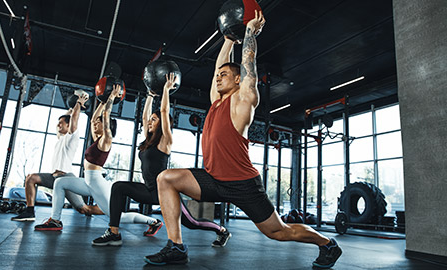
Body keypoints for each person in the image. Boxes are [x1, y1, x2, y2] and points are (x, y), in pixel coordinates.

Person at [144, 11, 342, 269]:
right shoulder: (216, 102)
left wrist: (249, 33)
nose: (218, 78)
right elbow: (219, 66)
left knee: (279, 231)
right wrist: (228, 38)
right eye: (217, 76)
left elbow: (249, 63)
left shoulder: (243, 101)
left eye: (224, 75)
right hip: (213, 178)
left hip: (243, 184)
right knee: (165, 179)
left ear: (238, 80)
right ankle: (176, 246)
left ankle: (327, 243)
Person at [92, 73, 231, 247]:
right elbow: (144, 117)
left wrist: (165, 90)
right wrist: (150, 96)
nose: (150, 122)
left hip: (167, 193)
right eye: (151, 120)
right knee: (119, 187)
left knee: (192, 223)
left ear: (162, 124)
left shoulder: (165, 141)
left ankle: (222, 231)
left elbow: (164, 112)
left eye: (154, 120)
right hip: (150, 191)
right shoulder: (147, 142)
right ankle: (113, 232)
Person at [34, 85, 156, 231]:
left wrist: (111, 97)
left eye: (100, 123)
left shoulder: (106, 140)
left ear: (106, 127)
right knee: (60, 183)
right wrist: (102, 102)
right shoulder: (97, 139)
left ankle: (153, 221)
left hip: (97, 184)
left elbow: (104, 117)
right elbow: (93, 120)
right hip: (88, 182)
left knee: (117, 217)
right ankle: (55, 220)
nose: (96, 123)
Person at [11, 93, 99, 221]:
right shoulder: (61, 139)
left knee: (83, 209)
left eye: (61, 123)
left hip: (66, 178)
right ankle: (30, 212)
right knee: (31, 178)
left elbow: (74, 120)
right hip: (54, 177)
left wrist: (78, 104)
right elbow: (67, 120)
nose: (58, 126)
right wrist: (68, 111)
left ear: (69, 126)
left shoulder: (72, 137)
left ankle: (111, 212)